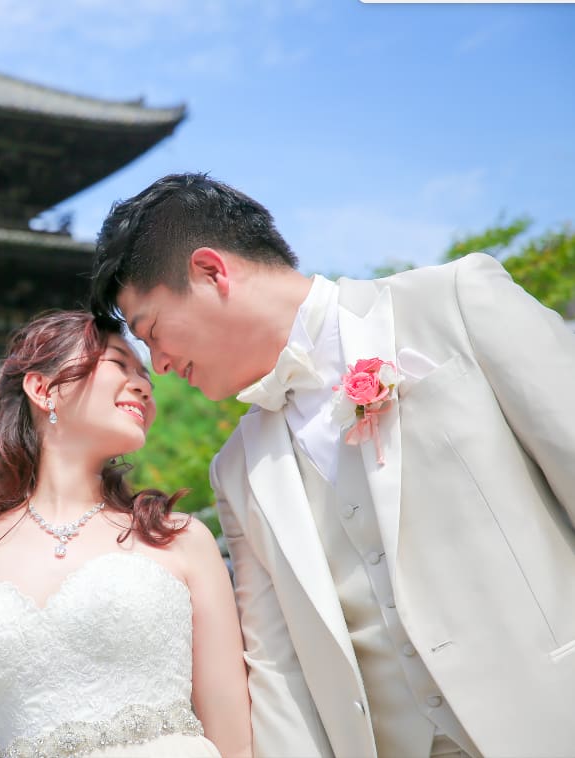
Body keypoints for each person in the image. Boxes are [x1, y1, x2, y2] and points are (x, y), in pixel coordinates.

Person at [89, 172, 575, 758]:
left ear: (212, 272)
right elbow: (279, 670)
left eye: (152, 332)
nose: (160, 365)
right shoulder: (237, 469)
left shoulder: (455, 302)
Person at [0, 310, 253, 758]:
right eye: (119, 363)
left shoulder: (179, 538)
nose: (144, 386)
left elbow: (235, 735)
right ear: (43, 389)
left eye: (146, 378)